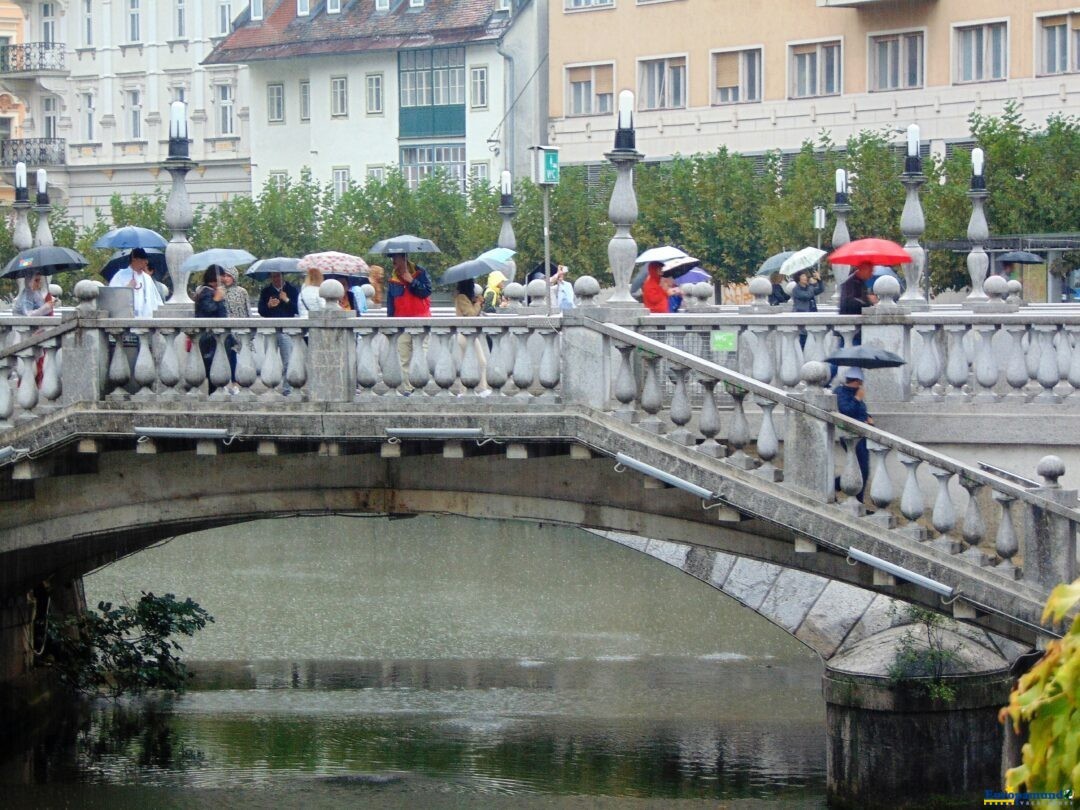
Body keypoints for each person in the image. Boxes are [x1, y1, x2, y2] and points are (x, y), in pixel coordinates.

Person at [386, 253, 432, 393]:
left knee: (421, 355)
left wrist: (412, 281)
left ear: (404, 258)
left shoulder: (421, 272)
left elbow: (426, 292)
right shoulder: (393, 279)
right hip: (401, 324)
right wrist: (390, 323)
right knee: (403, 358)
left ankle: (420, 386)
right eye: (392, 258)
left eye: (396, 258)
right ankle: (408, 389)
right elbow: (391, 304)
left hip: (421, 321)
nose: (393, 261)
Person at [834, 367, 872, 505]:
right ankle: (834, 485)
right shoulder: (841, 392)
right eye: (859, 382)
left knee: (863, 469)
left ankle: (858, 500)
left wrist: (868, 418)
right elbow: (846, 411)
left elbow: (860, 411)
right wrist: (857, 398)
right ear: (855, 381)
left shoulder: (856, 392)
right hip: (850, 435)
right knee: (860, 469)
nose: (861, 385)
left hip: (860, 434)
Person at [257, 271, 299, 394]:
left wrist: (286, 300)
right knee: (270, 359)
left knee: (288, 360)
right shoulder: (266, 291)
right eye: (274, 276)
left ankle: (287, 388)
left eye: (278, 276)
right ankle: (271, 387)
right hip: (271, 330)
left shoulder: (291, 289)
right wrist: (269, 306)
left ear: (283, 276)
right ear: (270, 277)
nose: (276, 279)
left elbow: (296, 309)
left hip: (286, 329)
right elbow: (261, 311)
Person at [194, 266, 234, 394]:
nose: (224, 279)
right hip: (210, 338)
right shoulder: (205, 291)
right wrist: (217, 298)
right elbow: (208, 310)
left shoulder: (213, 290)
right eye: (222, 275)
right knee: (213, 367)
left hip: (217, 336)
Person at [454, 279, 489, 394]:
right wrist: (477, 304)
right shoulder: (461, 297)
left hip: (470, 335)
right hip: (465, 335)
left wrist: (478, 303)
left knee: (477, 362)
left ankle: (469, 390)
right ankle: (479, 389)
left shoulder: (466, 298)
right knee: (479, 362)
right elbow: (470, 314)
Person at [108, 247, 163, 318]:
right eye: (143, 259)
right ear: (135, 259)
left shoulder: (147, 278)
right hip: (126, 319)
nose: (146, 262)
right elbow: (112, 298)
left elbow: (156, 300)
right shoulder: (120, 275)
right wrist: (127, 289)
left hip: (146, 320)